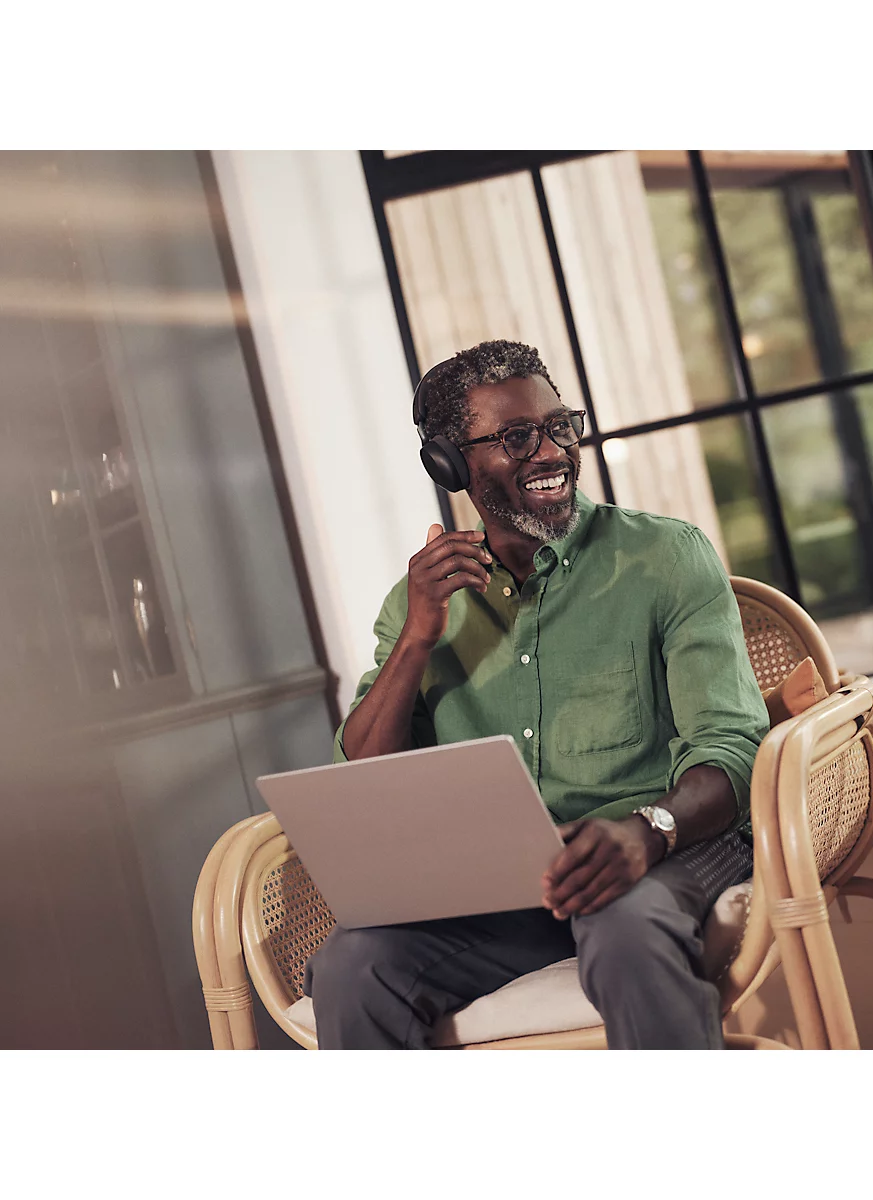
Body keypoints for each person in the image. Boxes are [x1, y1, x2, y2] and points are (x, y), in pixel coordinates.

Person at [304, 339, 769, 1049]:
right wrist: (419, 637)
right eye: (517, 437)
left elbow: (732, 747)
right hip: (508, 894)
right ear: (451, 464)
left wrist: (649, 830)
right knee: (352, 965)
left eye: (560, 426)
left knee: (625, 930)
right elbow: (364, 777)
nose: (550, 452)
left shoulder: (665, 557)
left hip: (665, 848)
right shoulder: (417, 602)